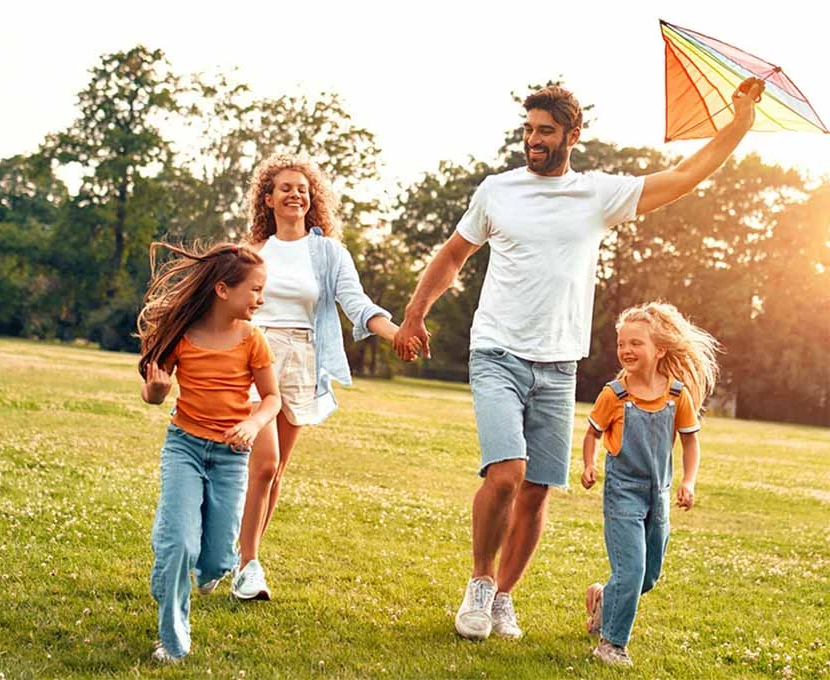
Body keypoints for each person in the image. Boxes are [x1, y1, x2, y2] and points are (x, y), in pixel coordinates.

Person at [392, 77, 764, 640]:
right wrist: (416, 312)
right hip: (496, 349)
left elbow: (684, 178)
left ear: (572, 134)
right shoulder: (497, 191)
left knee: (538, 488)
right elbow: (452, 254)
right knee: (506, 474)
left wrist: (735, 126)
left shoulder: (597, 195)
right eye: (528, 130)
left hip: (559, 362)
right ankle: (479, 584)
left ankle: (504, 600)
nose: (533, 141)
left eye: (545, 131)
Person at [232, 154, 420, 600]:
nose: (295, 193)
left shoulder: (328, 252)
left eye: (302, 188)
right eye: (285, 188)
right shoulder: (252, 252)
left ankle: (243, 555)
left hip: (301, 359)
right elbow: (224, 304)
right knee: (260, 465)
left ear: (311, 197)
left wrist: (398, 336)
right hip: (254, 354)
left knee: (275, 470)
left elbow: (357, 304)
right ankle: (246, 565)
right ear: (268, 198)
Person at [138, 241, 281, 662]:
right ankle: (173, 640)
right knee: (179, 544)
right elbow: (152, 392)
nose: (261, 298)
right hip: (184, 445)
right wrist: (157, 391)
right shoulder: (181, 333)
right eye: (255, 289)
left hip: (231, 456)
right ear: (222, 290)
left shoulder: (253, 340)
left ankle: (191, 560)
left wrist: (253, 423)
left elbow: (272, 398)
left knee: (217, 561)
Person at [580, 302, 719, 666]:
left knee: (649, 576)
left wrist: (688, 482)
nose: (626, 350)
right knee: (632, 570)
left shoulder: (677, 395)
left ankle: (604, 599)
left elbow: (690, 442)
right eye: (622, 343)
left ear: (659, 350)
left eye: (636, 343)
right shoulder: (614, 394)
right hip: (622, 493)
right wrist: (588, 464)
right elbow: (592, 433)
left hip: (658, 495)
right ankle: (611, 645)